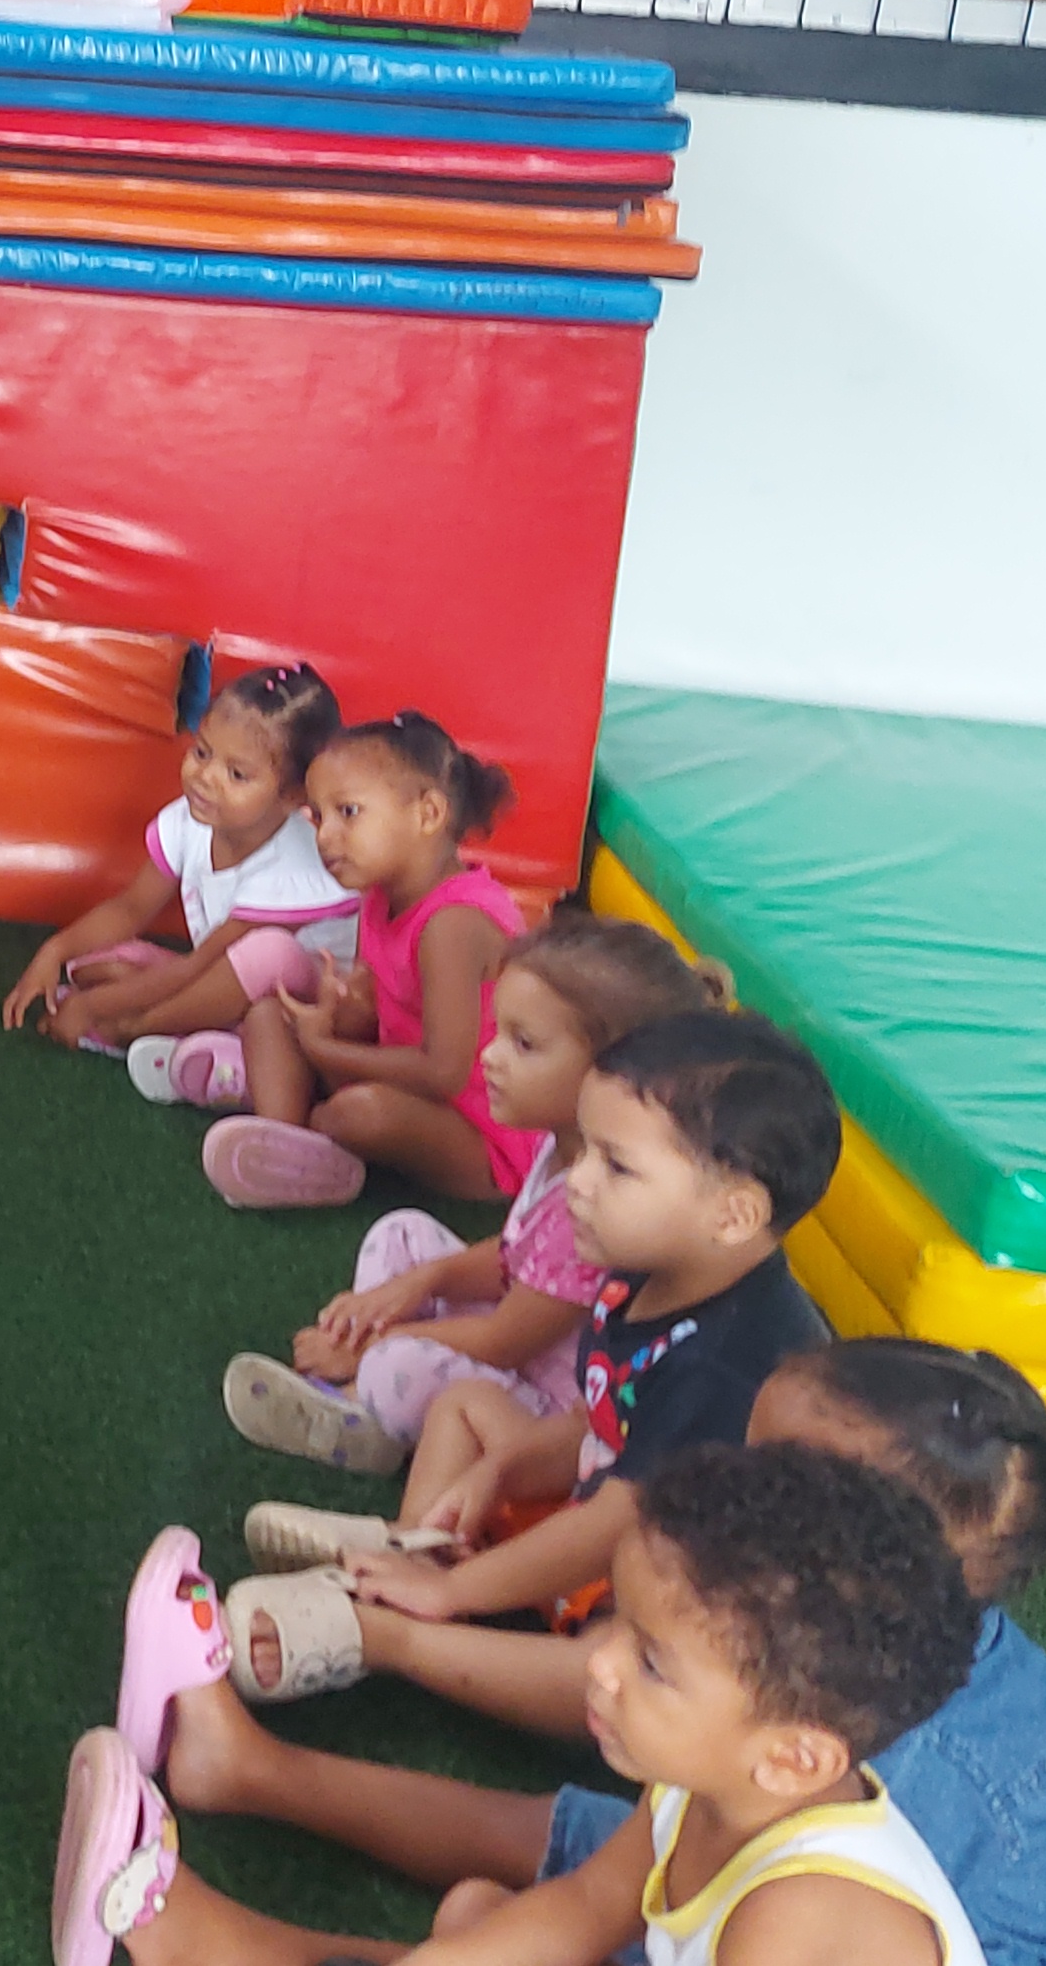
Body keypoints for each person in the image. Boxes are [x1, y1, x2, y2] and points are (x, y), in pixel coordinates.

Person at [141, 1340, 1046, 1966]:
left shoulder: (818, 1893)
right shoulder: (762, 1738)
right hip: (756, 1860)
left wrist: (401, 1637)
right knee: (510, 1905)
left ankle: (240, 1939)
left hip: (961, 1929)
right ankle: (244, 1789)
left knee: (507, 1902)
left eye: (784, 1480)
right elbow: (584, 1906)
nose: (741, 1484)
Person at [59, 1444, 989, 1966]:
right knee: (476, 1922)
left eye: (652, 1664)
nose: (600, 1665)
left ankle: (211, 1949)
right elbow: (585, 1906)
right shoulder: (709, 1784)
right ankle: (224, 1942)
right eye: (618, 1624)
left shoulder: (806, 1923)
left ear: (792, 1758)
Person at [224, 1012, 841, 1731]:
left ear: (733, 1215)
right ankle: (412, 1550)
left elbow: (618, 1524)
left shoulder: (731, 1364)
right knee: (465, 1406)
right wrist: (503, 1470)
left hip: (681, 1585)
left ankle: (401, 1635)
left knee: (615, 1672)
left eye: (616, 1166)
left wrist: (460, 1592)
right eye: (585, 1152)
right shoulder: (644, 1268)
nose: (577, 1183)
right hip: (606, 1513)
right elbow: (599, 1421)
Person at [227, 916, 730, 1472]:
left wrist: (375, 1342)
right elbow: (512, 1255)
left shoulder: (596, 1205)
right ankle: (364, 1389)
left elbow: (504, 1340)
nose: (489, 1055)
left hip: (542, 1404)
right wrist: (417, 1283)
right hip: (514, 1340)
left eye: (523, 1044)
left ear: (612, 1074)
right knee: (401, 1233)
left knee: (397, 1366)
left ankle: (358, 1405)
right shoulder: (559, 1144)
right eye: (499, 1032)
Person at [205, 715, 529, 1211]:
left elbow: (443, 1072)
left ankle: (303, 1123)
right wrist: (341, 1009)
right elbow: (377, 1008)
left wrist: (324, 1049)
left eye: (348, 812)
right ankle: (286, 1138)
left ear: (427, 814)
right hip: (407, 1083)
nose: (325, 837)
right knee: (268, 1015)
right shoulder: (379, 894)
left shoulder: (453, 924)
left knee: (362, 1114)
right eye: (318, 817)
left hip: (482, 1134)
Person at [5, 662, 356, 1096]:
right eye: (203, 752)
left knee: (266, 954)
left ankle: (137, 1031)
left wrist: (94, 1010)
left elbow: (197, 966)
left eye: (237, 774)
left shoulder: (293, 867)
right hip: (222, 979)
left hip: (304, 1016)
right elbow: (131, 909)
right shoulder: (192, 821)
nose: (206, 777)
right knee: (102, 959)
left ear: (291, 796)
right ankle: (203, 1038)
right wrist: (54, 951)